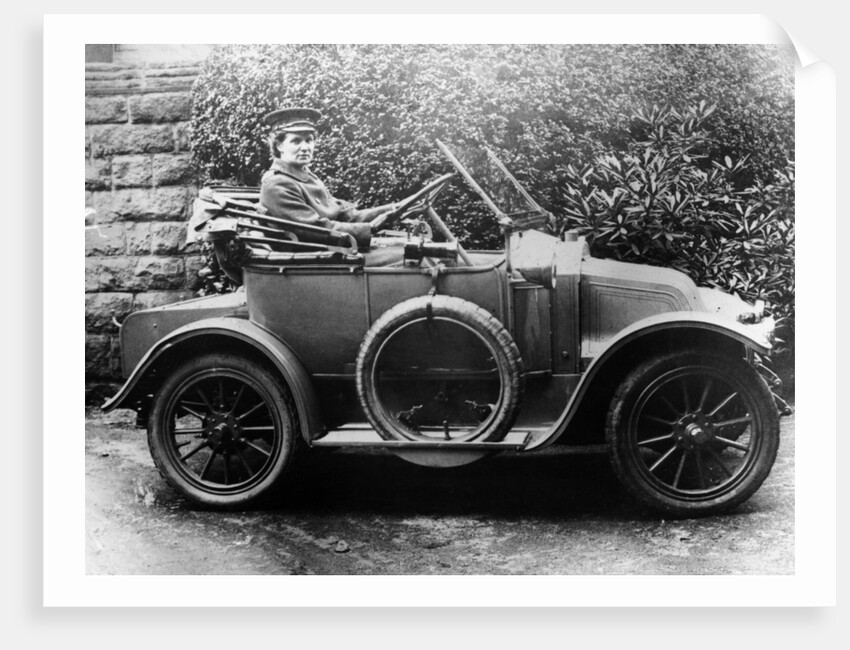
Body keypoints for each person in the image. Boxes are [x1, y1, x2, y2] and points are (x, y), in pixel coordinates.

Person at [259, 107, 399, 252]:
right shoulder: (277, 184)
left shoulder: (304, 176)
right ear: (279, 145)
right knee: (408, 258)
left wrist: (393, 209)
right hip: (314, 259)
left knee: (405, 249)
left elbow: (343, 215)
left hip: (330, 250)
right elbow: (314, 228)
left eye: (309, 140)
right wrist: (369, 229)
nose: (305, 147)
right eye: (296, 141)